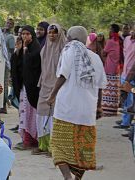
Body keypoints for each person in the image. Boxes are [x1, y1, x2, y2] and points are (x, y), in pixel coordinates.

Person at [47, 26, 107, 180]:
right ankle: (77, 178)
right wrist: (99, 106)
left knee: (59, 145)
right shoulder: (95, 58)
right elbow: (100, 86)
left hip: (66, 109)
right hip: (86, 112)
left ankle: (67, 176)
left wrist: (52, 95)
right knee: (82, 149)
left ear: (70, 37)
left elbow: (63, 75)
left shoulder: (69, 50)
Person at [33, 24, 66, 155]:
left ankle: (54, 147)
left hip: (59, 86)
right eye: (50, 32)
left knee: (54, 115)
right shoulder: (45, 47)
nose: (52, 35)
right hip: (45, 84)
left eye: (55, 32)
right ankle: (43, 145)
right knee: (41, 113)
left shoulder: (64, 49)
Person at [11, 25, 41, 150]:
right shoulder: (21, 48)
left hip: (33, 88)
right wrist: (18, 52)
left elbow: (34, 66)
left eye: (27, 34)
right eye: (23, 34)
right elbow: (16, 66)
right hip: (23, 87)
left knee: (31, 113)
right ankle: (26, 139)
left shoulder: (36, 48)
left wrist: (25, 51)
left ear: (32, 35)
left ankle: (33, 139)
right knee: (23, 113)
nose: (25, 36)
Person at [102, 24, 123, 117]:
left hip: (109, 67)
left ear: (112, 30)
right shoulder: (120, 40)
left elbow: (104, 52)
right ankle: (113, 109)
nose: (109, 31)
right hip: (117, 68)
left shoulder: (110, 41)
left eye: (110, 29)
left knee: (108, 88)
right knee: (114, 89)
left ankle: (107, 110)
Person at [117, 31, 135, 129]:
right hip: (125, 72)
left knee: (131, 98)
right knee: (126, 98)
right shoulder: (127, 40)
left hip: (132, 75)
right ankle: (125, 120)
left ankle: (126, 123)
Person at [0, 18, 15, 114]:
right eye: (7, 23)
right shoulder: (1, 34)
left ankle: (4, 105)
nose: (8, 25)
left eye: (10, 24)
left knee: (5, 84)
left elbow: (12, 50)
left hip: (6, 63)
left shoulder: (10, 37)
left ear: (12, 26)